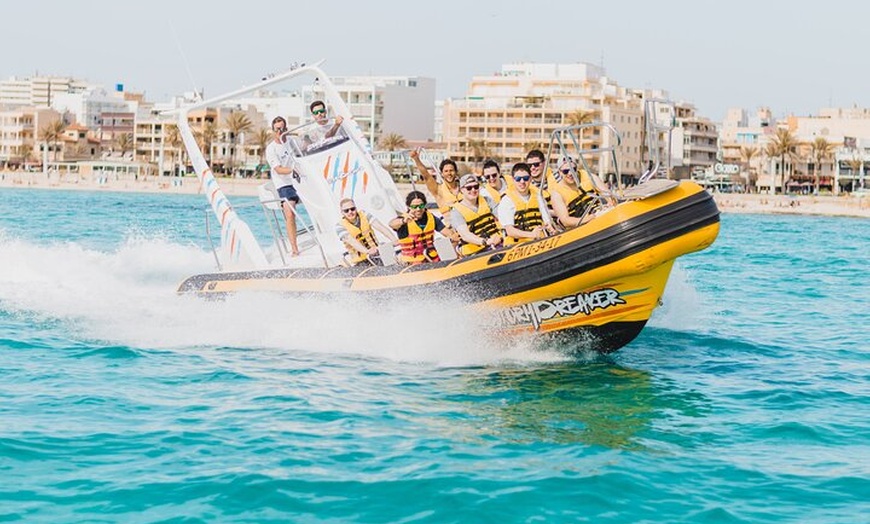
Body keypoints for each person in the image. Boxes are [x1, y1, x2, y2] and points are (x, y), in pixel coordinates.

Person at [388, 191, 456, 264]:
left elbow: (448, 233)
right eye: (414, 207)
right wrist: (403, 221)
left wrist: (453, 237)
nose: (418, 209)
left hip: (431, 258)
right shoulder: (403, 220)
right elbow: (391, 224)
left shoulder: (431, 218)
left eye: (421, 206)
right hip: (411, 261)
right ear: (408, 207)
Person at [265, 116, 300, 256]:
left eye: (283, 128)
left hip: (301, 180)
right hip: (285, 184)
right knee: (289, 212)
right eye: (277, 129)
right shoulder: (271, 149)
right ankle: (294, 248)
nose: (281, 131)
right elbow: (278, 169)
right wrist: (293, 171)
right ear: (273, 130)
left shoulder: (293, 142)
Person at [498, 163, 557, 244]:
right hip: (518, 246)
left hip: (540, 241)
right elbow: (510, 231)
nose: (522, 182)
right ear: (513, 180)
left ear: (530, 179)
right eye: (518, 179)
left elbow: (547, 220)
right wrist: (531, 234)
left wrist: (551, 229)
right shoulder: (506, 201)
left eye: (525, 178)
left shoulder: (538, 196)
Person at [450, 173, 503, 256]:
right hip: (476, 252)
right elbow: (465, 235)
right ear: (461, 190)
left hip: (498, 244)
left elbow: (503, 217)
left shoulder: (487, 200)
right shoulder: (456, 211)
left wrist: (501, 235)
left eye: (476, 187)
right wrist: (485, 242)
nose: (473, 190)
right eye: (469, 188)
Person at [335, 198, 396, 266]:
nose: (350, 212)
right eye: (346, 211)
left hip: (378, 254)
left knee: (394, 261)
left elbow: (380, 227)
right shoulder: (339, 226)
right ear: (342, 212)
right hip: (361, 261)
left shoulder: (364, 214)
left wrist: (394, 239)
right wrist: (367, 251)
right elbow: (352, 241)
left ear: (356, 208)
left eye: (352, 209)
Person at [409, 150, 462, 222]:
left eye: (451, 170)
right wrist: (416, 159)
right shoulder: (438, 190)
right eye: (446, 171)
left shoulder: (465, 188)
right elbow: (426, 176)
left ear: (456, 172)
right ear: (442, 174)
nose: (449, 173)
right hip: (452, 227)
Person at [549, 157, 600, 229]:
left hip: (599, 217)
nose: (570, 173)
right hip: (580, 229)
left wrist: (609, 204)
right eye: (565, 171)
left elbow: (608, 196)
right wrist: (590, 218)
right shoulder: (557, 194)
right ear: (560, 172)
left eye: (573, 169)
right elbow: (565, 221)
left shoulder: (589, 177)